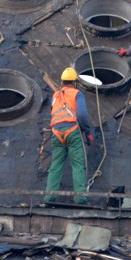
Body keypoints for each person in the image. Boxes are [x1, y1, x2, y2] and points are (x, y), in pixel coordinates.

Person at [43, 67, 94, 205]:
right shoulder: (77, 94)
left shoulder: (56, 96)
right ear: (75, 82)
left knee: (56, 165)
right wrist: (88, 132)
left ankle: (50, 197)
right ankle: (80, 198)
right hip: (72, 131)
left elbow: (53, 112)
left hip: (56, 133)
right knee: (78, 165)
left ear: (62, 82)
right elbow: (82, 115)